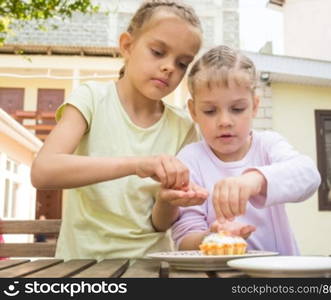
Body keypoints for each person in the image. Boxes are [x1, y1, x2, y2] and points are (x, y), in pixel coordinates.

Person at [31, 0, 207, 260]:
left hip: (150, 268)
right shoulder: (91, 98)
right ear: (127, 45)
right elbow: (43, 172)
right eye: (158, 52)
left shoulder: (183, 127)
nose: (170, 67)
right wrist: (138, 165)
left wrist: (169, 198)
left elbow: (159, 224)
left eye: (182, 63)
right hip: (81, 268)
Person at [156, 45, 321, 255]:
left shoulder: (268, 145)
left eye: (237, 109)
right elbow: (184, 239)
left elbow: (309, 175)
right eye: (209, 111)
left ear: (254, 105)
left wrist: (254, 180)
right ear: (193, 111)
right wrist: (212, 237)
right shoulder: (190, 160)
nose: (225, 121)